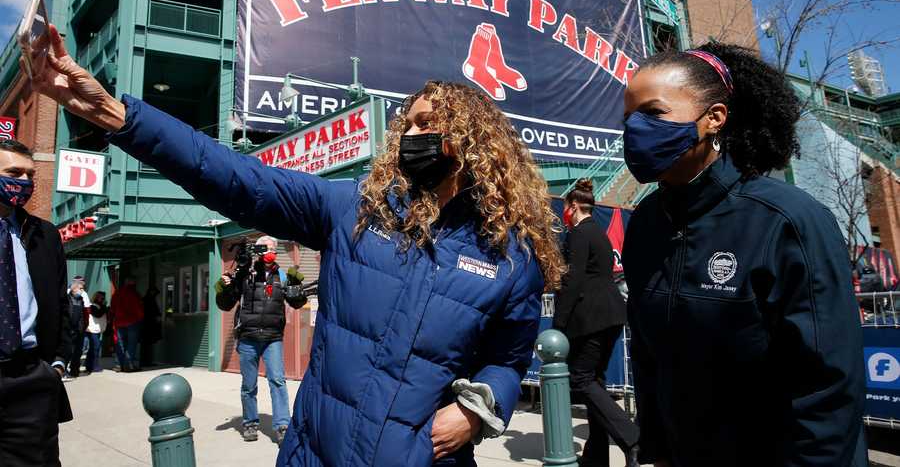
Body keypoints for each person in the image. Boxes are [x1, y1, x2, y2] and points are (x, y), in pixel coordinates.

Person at [28, 24, 564, 467]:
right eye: (405, 125)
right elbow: (236, 177)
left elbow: (508, 361)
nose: (407, 136)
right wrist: (119, 117)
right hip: (313, 453)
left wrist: (473, 414)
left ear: (471, 142)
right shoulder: (355, 210)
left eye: (426, 125)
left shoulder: (511, 258)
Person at [620, 43, 866, 466]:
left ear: (714, 118)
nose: (635, 130)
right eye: (629, 119)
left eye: (654, 113)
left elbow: (827, 387)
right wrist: (656, 450)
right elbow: (648, 359)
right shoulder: (644, 224)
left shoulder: (788, 220)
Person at [554, 178, 638, 467]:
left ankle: (632, 438)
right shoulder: (598, 233)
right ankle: (597, 455)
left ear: (573, 207)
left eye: (565, 208)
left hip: (590, 317)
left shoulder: (578, 234)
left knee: (581, 379)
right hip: (611, 314)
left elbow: (573, 280)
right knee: (595, 383)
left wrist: (558, 325)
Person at [0, 139, 73, 466]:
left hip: (30, 382)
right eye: (14, 173)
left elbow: (59, 301)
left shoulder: (45, 234)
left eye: (30, 175)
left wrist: (56, 362)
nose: (25, 182)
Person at [215, 236, 306, 444]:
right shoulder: (246, 274)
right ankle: (250, 423)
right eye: (263, 249)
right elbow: (226, 303)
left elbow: (296, 302)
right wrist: (225, 286)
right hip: (248, 336)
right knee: (249, 385)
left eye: (271, 248)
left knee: (278, 381)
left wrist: (296, 287)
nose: (267, 252)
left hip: (273, 337)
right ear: (256, 251)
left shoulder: (281, 275)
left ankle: (282, 425)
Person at [109, 276, 143, 372]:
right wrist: (140, 318)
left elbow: (112, 308)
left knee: (120, 343)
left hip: (119, 322)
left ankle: (118, 365)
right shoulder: (134, 293)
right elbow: (138, 308)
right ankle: (128, 364)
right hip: (132, 321)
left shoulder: (117, 293)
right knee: (131, 344)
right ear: (133, 283)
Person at [64, 276, 89, 380]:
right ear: (75, 288)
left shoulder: (81, 299)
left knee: (77, 352)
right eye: (81, 288)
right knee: (67, 351)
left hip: (79, 330)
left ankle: (75, 371)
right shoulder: (67, 299)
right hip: (69, 329)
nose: (83, 291)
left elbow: (83, 315)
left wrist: (83, 326)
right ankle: (64, 370)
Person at [85, 291, 107, 373]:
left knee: (93, 348)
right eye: (100, 297)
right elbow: (98, 314)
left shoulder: (101, 306)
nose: (102, 299)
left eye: (103, 297)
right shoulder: (92, 306)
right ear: (96, 297)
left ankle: (90, 366)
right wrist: (104, 307)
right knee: (95, 348)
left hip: (97, 330)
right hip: (92, 330)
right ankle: (94, 366)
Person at [140, 285, 162, 367]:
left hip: (146, 325)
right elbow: (153, 312)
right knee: (147, 344)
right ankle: (146, 362)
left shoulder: (145, 300)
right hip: (149, 325)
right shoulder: (150, 300)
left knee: (146, 344)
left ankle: (145, 361)